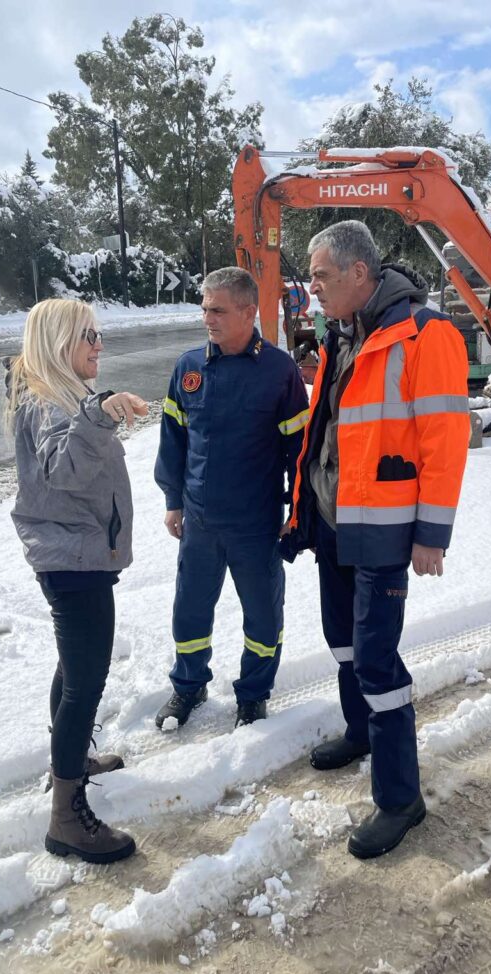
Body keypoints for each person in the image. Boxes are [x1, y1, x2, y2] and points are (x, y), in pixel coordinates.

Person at [283, 221, 470, 860]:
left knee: (377, 662)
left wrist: (431, 534)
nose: (312, 290)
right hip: (335, 522)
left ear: (359, 274)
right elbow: (330, 431)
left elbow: (445, 441)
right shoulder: (343, 335)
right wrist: (303, 509)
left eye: (320, 277)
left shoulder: (426, 333)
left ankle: (400, 799)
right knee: (342, 644)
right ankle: (360, 732)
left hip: (387, 530)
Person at [5, 298, 148, 864]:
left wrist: (99, 409)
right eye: (88, 334)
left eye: (98, 334)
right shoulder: (47, 399)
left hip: (76, 552)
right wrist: (99, 414)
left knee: (74, 668)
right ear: (60, 340)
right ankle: (67, 818)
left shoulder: (59, 394)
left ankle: (68, 761)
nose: (98, 343)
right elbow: (62, 471)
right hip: (73, 558)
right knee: (86, 679)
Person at [154, 267, 310, 730]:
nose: (207, 318)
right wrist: (173, 501)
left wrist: (297, 511)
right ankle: (189, 686)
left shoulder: (279, 371)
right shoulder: (189, 369)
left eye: (217, 310)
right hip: (200, 523)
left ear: (248, 311)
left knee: (263, 617)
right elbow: (173, 442)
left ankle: (253, 695)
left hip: (256, 524)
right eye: (204, 308)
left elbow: (297, 453)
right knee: (189, 612)